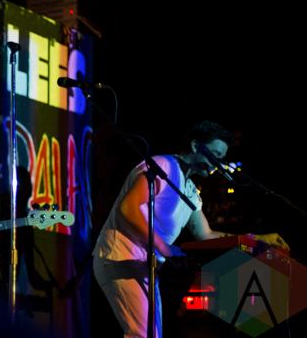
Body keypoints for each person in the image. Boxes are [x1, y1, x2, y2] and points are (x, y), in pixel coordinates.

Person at [92, 120, 289, 338]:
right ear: (195, 146)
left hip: (144, 266)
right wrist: (164, 248)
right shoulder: (163, 165)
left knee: (151, 334)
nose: (217, 163)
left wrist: (256, 239)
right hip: (119, 257)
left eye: (222, 158)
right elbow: (128, 207)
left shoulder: (190, 191)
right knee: (144, 335)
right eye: (215, 154)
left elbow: (206, 235)